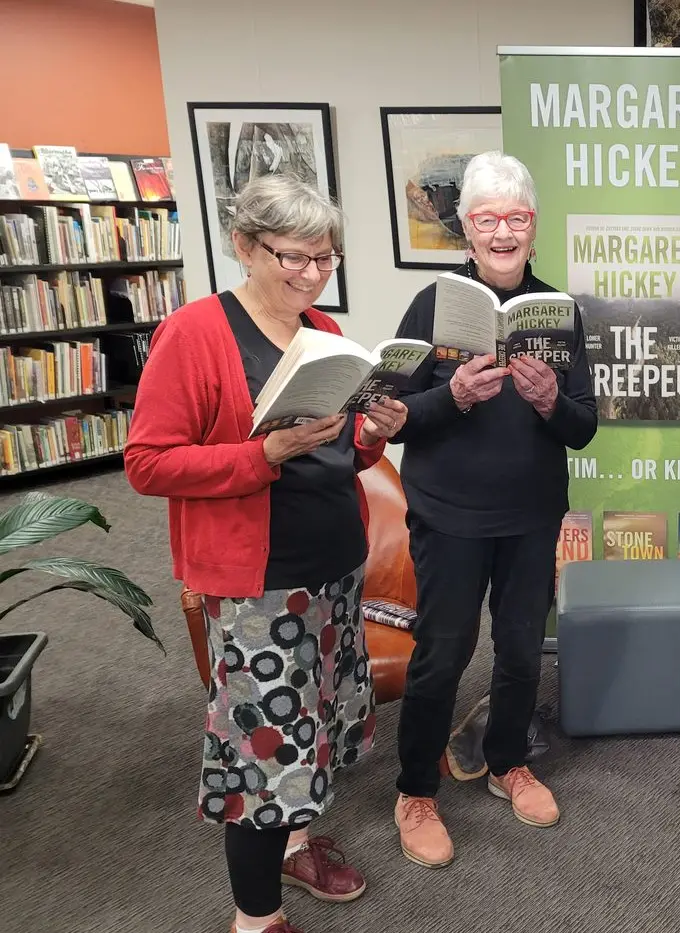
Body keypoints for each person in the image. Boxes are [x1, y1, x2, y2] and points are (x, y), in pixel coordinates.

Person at [125, 174, 407, 933]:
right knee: (263, 750)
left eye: (326, 257)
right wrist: (262, 454)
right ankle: (256, 918)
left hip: (333, 568)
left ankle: (297, 841)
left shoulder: (320, 329)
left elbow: (337, 457)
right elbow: (147, 463)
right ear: (244, 246)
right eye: (294, 256)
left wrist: (370, 435)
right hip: (258, 585)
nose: (314, 273)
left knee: (315, 725)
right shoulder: (194, 333)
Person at [389, 151, 597, 869]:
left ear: (533, 227)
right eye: (487, 219)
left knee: (518, 650)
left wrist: (548, 402)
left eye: (515, 217)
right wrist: (453, 396)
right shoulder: (435, 305)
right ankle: (416, 787)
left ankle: (509, 759)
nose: (502, 231)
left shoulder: (559, 311)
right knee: (443, 653)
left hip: (532, 513)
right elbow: (395, 415)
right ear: (467, 230)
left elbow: (584, 425)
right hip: (448, 513)